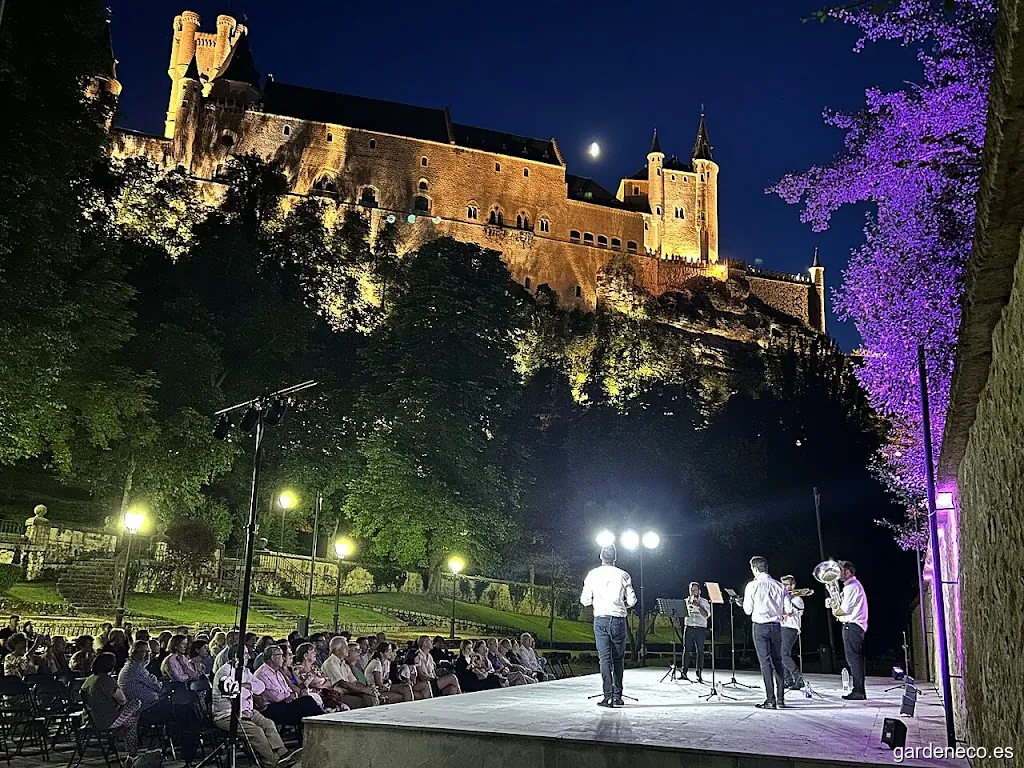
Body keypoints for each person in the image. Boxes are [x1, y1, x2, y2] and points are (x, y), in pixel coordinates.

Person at [213, 647, 294, 768]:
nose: (249, 657)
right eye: (245, 654)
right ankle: (275, 761)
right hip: (228, 715)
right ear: (236, 656)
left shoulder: (245, 671)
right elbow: (232, 694)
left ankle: (283, 754)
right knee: (256, 732)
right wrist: (245, 689)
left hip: (248, 710)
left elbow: (260, 687)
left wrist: (247, 686)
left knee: (268, 724)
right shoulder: (224, 673)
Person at [580, 544, 636, 707]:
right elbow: (632, 601)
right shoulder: (623, 575)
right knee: (618, 659)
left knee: (604, 660)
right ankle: (617, 695)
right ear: (615, 557)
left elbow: (585, 601)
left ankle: (607, 695)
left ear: (601, 557)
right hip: (618, 619)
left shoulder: (592, 575)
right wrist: (621, 605)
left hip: (601, 619)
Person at [742, 555, 791, 710]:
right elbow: (788, 609)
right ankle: (781, 699)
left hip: (760, 626)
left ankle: (770, 699)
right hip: (776, 627)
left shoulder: (752, 585)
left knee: (765, 663)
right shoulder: (779, 585)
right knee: (778, 662)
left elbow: (747, 610)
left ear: (755, 569)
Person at [81, 652, 141, 759]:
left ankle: (132, 755)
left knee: (130, 722)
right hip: (106, 719)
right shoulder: (106, 680)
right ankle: (132, 755)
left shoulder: (89, 679)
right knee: (136, 703)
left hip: (90, 719)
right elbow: (123, 700)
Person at [254, 645, 324, 731]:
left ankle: (321, 725)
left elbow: (288, 689)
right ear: (273, 657)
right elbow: (275, 697)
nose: (283, 659)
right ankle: (323, 725)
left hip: (283, 704)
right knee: (306, 703)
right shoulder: (263, 673)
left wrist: (290, 695)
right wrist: (289, 695)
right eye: (281, 655)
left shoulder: (277, 672)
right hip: (272, 708)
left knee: (307, 702)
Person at [831, 560, 869, 701]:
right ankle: (858, 689)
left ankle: (859, 690)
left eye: (839, 570)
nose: (837, 574)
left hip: (852, 625)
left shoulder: (851, 587)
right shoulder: (851, 586)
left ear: (847, 572)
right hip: (854, 625)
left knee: (853, 659)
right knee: (854, 659)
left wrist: (835, 610)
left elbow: (843, 610)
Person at [119, 641, 173, 729]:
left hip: (144, 705)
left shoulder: (133, 666)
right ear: (135, 653)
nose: (149, 654)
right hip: (143, 710)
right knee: (176, 707)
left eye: (149, 652)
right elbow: (158, 687)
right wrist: (152, 678)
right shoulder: (136, 668)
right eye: (144, 652)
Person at [322, 637, 379, 708]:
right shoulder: (330, 663)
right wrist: (364, 690)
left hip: (348, 693)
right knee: (368, 701)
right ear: (337, 650)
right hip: (337, 696)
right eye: (345, 647)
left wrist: (369, 689)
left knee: (371, 696)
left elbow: (354, 682)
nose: (348, 649)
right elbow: (342, 683)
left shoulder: (344, 664)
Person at [292, 642, 346, 711]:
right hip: (315, 698)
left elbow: (329, 681)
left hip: (326, 695)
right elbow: (310, 684)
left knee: (344, 707)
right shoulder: (298, 669)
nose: (315, 654)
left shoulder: (315, 668)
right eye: (312, 652)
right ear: (305, 656)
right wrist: (322, 684)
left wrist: (319, 685)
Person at [779, 575, 806, 691]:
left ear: (793, 585)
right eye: (783, 585)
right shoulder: (786, 598)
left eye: (786, 585)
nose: (784, 587)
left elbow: (789, 612)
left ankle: (798, 679)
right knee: (782, 654)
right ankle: (788, 680)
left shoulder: (797, 599)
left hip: (791, 628)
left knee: (784, 654)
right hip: (783, 627)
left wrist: (787, 597)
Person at [682, 581, 710, 683]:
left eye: (695, 590)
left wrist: (698, 606)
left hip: (700, 628)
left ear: (699, 591)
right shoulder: (685, 601)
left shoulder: (704, 602)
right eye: (691, 590)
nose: (693, 592)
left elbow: (706, 615)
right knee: (686, 650)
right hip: (688, 627)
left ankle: (699, 674)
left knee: (700, 651)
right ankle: (684, 672)